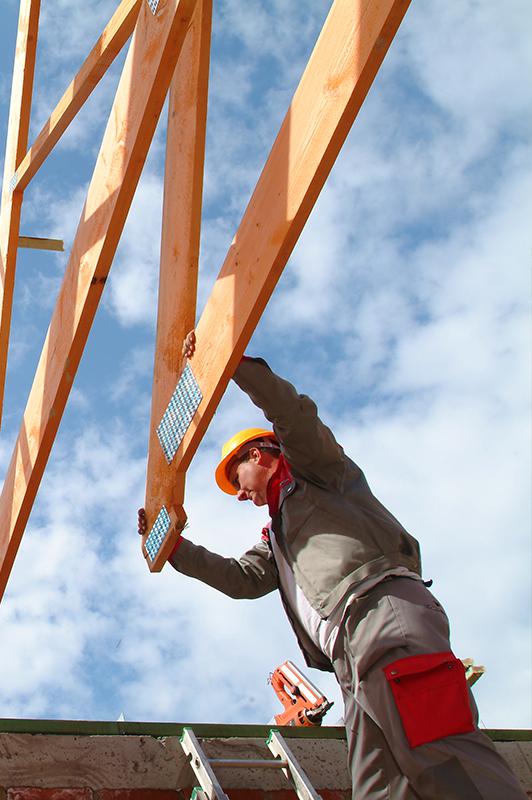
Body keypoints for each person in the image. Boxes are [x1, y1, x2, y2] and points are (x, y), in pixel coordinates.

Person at [138, 332, 526, 800]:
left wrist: (232, 363)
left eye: (236, 479)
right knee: (379, 788)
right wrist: (172, 547)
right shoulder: (278, 535)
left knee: (441, 750)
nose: (240, 494)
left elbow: (293, 415)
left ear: (257, 455)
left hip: (380, 613)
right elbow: (239, 579)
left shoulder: (317, 474)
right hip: (349, 655)